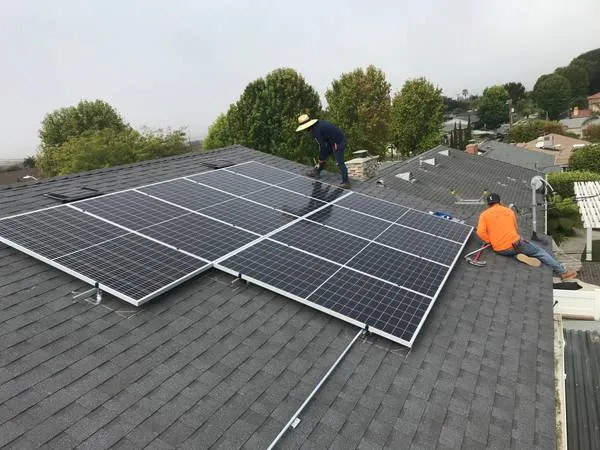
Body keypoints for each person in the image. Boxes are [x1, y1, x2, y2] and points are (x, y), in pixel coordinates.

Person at [476, 192, 577, 280]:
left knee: (510, 251)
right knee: (539, 252)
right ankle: (563, 272)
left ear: (488, 204)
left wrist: (490, 241)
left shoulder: (484, 215)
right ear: (499, 201)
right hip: (516, 243)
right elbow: (515, 228)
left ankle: (517, 256)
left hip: (500, 249)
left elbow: (480, 232)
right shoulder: (509, 211)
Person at [295, 114, 350, 189]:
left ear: (307, 126)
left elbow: (322, 146)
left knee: (339, 162)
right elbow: (324, 144)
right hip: (330, 142)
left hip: (338, 142)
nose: (305, 130)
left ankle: (346, 182)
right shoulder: (317, 125)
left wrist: (321, 158)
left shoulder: (316, 131)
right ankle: (317, 171)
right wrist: (322, 157)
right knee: (323, 156)